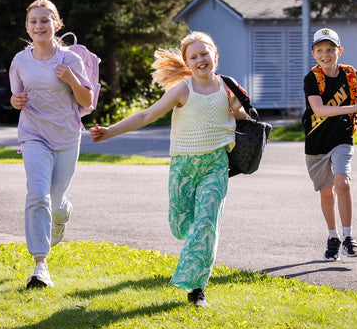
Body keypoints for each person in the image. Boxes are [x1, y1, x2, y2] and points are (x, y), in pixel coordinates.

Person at [90, 31, 248, 308]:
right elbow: (146, 115)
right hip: (183, 167)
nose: (201, 60)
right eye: (194, 56)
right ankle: (194, 258)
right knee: (182, 224)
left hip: (215, 165)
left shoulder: (228, 87)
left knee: (206, 224)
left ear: (215, 55)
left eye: (204, 54)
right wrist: (109, 132)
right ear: (187, 62)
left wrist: (238, 109)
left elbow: (247, 121)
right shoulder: (183, 90)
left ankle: (196, 287)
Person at [9, 0, 94, 289]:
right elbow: (16, 97)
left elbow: (87, 100)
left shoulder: (70, 59)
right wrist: (14, 101)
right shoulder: (20, 62)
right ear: (27, 27)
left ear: (56, 25)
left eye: (45, 20)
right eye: (33, 21)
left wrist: (71, 79)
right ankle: (40, 266)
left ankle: (62, 213)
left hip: (67, 136)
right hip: (33, 135)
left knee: (55, 202)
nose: (39, 25)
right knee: (37, 194)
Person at [302, 27, 357, 262]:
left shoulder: (350, 74)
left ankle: (349, 238)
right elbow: (319, 110)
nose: (325, 54)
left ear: (340, 51)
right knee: (327, 194)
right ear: (314, 54)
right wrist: (354, 108)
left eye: (330, 49)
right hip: (316, 142)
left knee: (342, 182)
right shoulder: (312, 78)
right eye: (320, 50)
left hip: (342, 138)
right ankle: (333, 237)